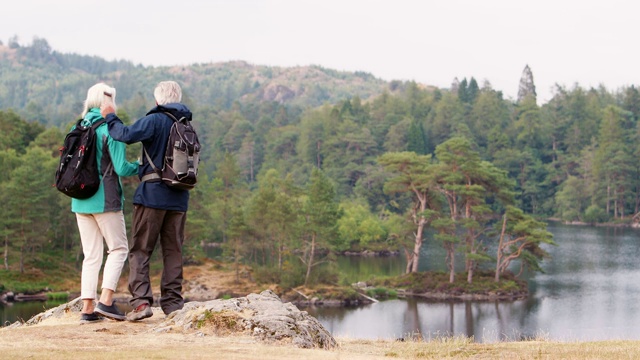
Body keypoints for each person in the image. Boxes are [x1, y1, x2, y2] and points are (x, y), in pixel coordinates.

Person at [100, 81, 191, 321]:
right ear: (178, 98)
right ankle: (173, 305)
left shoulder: (155, 119)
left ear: (158, 100)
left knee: (141, 250)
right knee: (173, 252)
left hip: (151, 195)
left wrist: (111, 117)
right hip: (179, 198)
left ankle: (141, 303)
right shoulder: (186, 124)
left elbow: (124, 135)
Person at [73, 83, 139, 322]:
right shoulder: (111, 128)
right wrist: (141, 167)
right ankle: (106, 302)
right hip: (105, 199)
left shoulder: (78, 126)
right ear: (108, 101)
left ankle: (87, 309)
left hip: (80, 200)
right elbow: (121, 167)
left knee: (91, 255)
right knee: (119, 248)